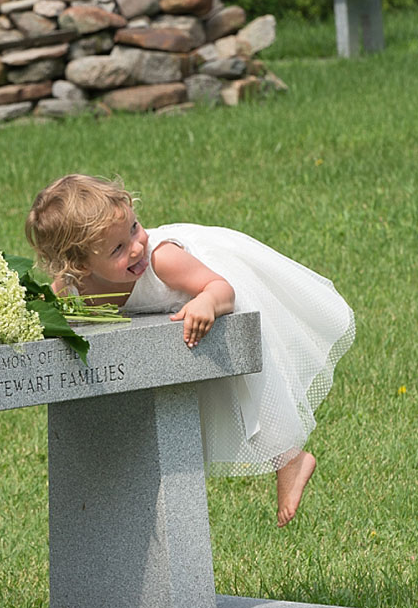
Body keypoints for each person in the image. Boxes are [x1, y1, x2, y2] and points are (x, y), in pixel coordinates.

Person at [25, 174, 354, 527]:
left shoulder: (161, 258)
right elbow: (55, 309)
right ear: (81, 266)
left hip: (209, 281)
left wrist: (208, 302)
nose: (136, 246)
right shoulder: (73, 286)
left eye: (135, 228)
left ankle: (289, 457)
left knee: (252, 372)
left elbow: (223, 288)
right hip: (177, 309)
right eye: (117, 249)